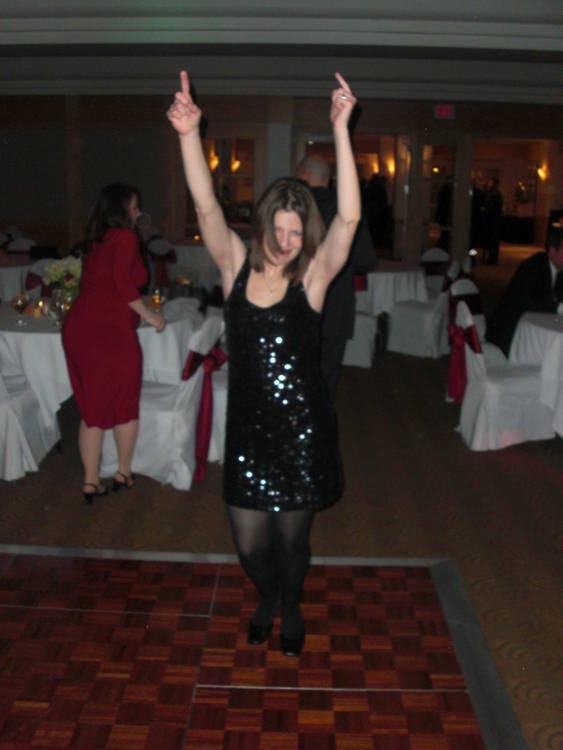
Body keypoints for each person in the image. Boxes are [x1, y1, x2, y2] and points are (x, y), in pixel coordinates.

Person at [167, 70, 360, 657]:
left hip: (302, 432)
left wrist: (341, 129)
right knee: (251, 547)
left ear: (306, 234)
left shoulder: (315, 280)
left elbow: (349, 221)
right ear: (262, 226)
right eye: (277, 229)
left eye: (295, 232)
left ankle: (290, 604)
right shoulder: (234, 267)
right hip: (249, 432)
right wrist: (189, 136)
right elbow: (205, 206)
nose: (284, 241)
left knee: (293, 543)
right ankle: (269, 593)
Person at [62, 183, 165, 504]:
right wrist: (149, 315)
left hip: (82, 328)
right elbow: (122, 283)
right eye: (134, 207)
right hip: (110, 332)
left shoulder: (98, 238)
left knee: (92, 408)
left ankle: (91, 481)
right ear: (120, 209)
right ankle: (123, 472)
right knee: (125, 401)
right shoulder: (124, 237)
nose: (138, 212)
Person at [295, 154, 376, 398]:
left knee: (295, 374)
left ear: (305, 175)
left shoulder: (293, 207)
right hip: (337, 303)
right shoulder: (347, 210)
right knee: (326, 379)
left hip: (296, 301)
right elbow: (366, 260)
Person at [485, 225, 563, 357]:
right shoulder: (534, 267)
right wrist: (558, 307)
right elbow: (532, 303)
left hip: (535, 330)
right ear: (552, 251)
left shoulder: (560, 271)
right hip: (510, 334)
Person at [483, 177, 503, 265]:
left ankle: (492, 259)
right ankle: (491, 258)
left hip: (493, 221)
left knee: (493, 241)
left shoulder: (495, 195)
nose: (489, 184)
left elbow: (493, 207)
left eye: (490, 182)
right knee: (491, 241)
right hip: (492, 220)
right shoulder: (493, 194)